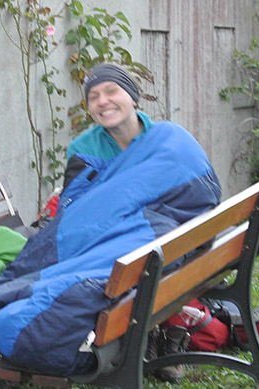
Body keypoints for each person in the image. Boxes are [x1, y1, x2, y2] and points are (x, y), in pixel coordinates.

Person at [62, 63, 222, 382]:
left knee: (155, 254)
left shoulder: (165, 140)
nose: (103, 101)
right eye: (93, 97)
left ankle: (161, 339)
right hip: (120, 247)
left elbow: (187, 201)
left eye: (112, 91)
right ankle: (153, 340)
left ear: (133, 98)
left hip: (159, 246)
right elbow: (78, 211)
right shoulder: (84, 149)